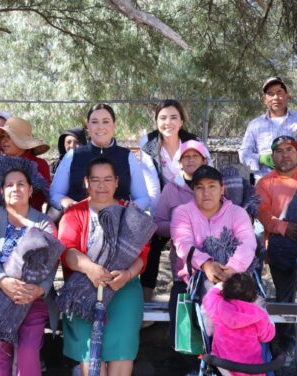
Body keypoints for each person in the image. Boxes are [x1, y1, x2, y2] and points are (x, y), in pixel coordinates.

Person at [58, 157, 150, 376]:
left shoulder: (130, 213)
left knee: (121, 351)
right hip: (85, 290)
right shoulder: (74, 213)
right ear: (86, 182)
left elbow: (143, 254)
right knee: (91, 357)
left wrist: (127, 274)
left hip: (123, 289)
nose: (102, 185)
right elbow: (66, 251)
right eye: (96, 180)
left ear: (117, 182)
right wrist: (90, 268)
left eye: (108, 179)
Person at [0, 168, 58, 376]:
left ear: (30, 191)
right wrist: (2, 281)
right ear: (2, 191)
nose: (15, 188)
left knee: (28, 356)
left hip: (32, 299)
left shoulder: (44, 223)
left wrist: (40, 289)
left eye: (21, 184)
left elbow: (51, 261)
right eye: (9, 185)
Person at [255, 135, 297, 351]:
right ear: (273, 157)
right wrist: (284, 228)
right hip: (281, 247)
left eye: (289, 149)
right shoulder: (265, 183)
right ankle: (284, 344)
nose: (285, 154)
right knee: (285, 297)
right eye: (279, 151)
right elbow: (264, 215)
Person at [153, 140, 211, 332]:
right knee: (184, 319)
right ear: (179, 162)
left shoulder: (215, 184)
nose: (190, 160)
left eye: (195, 156)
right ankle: (186, 357)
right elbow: (158, 224)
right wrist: (182, 228)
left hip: (214, 262)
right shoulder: (171, 188)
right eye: (186, 156)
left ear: (205, 160)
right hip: (183, 267)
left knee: (211, 314)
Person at [50, 103, 150, 211]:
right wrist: (66, 202)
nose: (100, 127)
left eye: (106, 121)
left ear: (114, 125)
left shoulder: (127, 157)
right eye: (94, 122)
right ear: (87, 125)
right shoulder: (73, 156)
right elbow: (55, 194)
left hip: (120, 222)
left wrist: (129, 209)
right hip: (80, 220)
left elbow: (143, 198)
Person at [171, 165, 257, 287]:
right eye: (200, 188)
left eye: (212, 186)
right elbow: (183, 244)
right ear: (193, 190)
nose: (206, 193)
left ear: (222, 189)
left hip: (236, 276)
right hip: (192, 278)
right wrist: (206, 265)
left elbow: (248, 243)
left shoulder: (237, 213)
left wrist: (232, 268)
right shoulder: (182, 213)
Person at [239, 76, 297, 178]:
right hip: (265, 184)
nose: (275, 97)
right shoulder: (255, 125)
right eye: (270, 94)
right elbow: (243, 154)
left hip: (296, 183)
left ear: (287, 96)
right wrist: (260, 158)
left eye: (279, 93)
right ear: (265, 99)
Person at [202, 273, 275, 376]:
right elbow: (267, 337)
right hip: (251, 368)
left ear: (224, 291)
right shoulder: (258, 314)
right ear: (253, 296)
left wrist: (219, 286)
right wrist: (271, 323)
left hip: (223, 363)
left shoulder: (217, 305)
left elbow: (209, 298)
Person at [0, 116, 51, 213]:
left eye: (9, 137)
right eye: (2, 137)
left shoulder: (39, 165)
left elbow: (41, 198)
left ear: (23, 142)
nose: (3, 141)